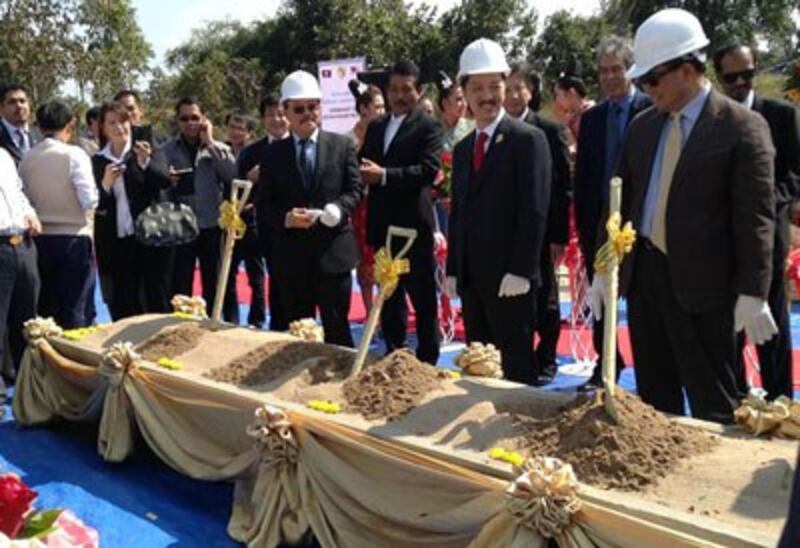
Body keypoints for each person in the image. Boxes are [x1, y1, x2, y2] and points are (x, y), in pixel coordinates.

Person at [595, 8, 777, 423]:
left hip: (706, 291)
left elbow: (756, 217)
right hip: (646, 282)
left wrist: (754, 291)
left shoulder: (741, 128)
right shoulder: (643, 127)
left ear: (686, 69)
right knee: (655, 402)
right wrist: (603, 268)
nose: (647, 88)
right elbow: (617, 204)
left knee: (714, 402)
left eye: (652, 78)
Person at [446, 39, 551, 385]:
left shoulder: (527, 139)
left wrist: (522, 268)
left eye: (494, 86)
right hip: (474, 279)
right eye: (477, 88)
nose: (487, 96)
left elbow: (534, 209)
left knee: (517, 367)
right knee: (480, 366)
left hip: (512, 280)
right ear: (464, 93)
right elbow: (459, 212)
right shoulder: (463, 149)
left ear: (506, 86)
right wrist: (453, 269)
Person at [714, 42, 800, 400]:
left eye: (746, 74)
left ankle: (781, 399)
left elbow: (794, 176)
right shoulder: (713, 121)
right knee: (728, 326)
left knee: (772, 323)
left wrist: (762, 203)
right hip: (724, 240)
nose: (739, 83)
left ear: (756, 71)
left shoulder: (780, 115)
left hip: (767, 241)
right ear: (719, 79)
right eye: (730, 77)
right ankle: (733, 399)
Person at [256, 71, 363, 346]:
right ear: (286, 111)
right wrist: (286, 219)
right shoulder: (272, 155)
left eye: (313, 106)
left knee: (338, 333)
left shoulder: (341, 145)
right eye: (299, 109)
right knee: (299, 337)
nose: (308, 114)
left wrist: (337, 210)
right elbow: (264, 204)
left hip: (333, 255)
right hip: (293, 260)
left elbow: (355, 190)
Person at [574, 35, 652, 391]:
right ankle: (605, 365)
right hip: (599, 223)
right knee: (600, 298)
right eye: (603, 71)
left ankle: (649, 368)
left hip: (639, 222)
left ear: (630, 70)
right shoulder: (591, 119)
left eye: (616, 70)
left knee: (641, 298)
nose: (609, 77)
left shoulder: (651, 110)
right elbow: (585, 177)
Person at [360, 61, 443, 364]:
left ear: (418, 91)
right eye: (394, 89)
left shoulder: (428, 126)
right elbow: (362, 164)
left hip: (414, 229)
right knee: (390, 297)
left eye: (406, 89)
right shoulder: (377, 126)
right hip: (383, 226)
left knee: (423, 299)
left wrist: (383, 175)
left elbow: (427, 170)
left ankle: (428, 361)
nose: (399, 96)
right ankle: (394, 356)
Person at [505, 62, 571, 385]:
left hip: (543, 233)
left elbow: (562, 187)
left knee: (546, 299)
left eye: (520, 88)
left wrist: (559, 235)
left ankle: (546, 359)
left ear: (530, 92)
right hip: (509, 233)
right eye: (508, 88)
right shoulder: (497, 131)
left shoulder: (549, 129)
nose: (513, 95)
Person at [20, 100, 98, 329]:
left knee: (47, 311)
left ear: (39, 126)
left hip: (39, 241)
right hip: (73, 239)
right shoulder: (74, 155)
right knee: (75, 309)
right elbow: (89, 199)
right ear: (70, 124)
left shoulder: (27, 158)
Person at [92, 102, 172, 320]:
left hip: (148, 238)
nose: (120, 127)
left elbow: (164, 181)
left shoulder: (147, 149)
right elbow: (94, 204)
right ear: (103, 128)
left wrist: (145, 162)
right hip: (117, 241)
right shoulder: (98, 161)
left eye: (124, 121)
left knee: (155, 298)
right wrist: (106, 185)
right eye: (113, 123)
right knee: (124, 300)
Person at [161, 97, 238, 321]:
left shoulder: (219, 148)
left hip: (211, 225)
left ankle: (213, 326)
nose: (190, 123)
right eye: (184, 118)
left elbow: (232, 176)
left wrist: (211, 142)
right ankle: (179, 326)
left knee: (213, 283)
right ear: (177, 120)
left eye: (195, 117)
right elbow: (156, 182)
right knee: (180, 284)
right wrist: (168, 180)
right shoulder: (166, 150)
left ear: (204, 119)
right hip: (180, 226)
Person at [239, 94, 291, 330]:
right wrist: (250, 179)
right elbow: (238, 192)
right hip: (267, 228)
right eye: (271, 114)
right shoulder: (251, 153)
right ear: (262, 119)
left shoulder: (303, 145)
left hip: (301, 225)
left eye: (281, 113)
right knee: (275, 280)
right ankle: (278, 327)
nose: (277, 119)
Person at [0, 147, 40, 395]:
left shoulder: (3, 155)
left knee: (26, 317)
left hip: (22, 244)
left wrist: (29, 213)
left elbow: (18, 193)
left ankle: (25, 382)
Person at [347, 80, 385, 316]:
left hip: (382, 203)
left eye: (383, 107)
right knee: (364, 259)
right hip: (360, 207)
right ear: (363, 109)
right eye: (377, 107)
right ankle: (370, 310)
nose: (382, 112)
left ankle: (384, 307)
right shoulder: (349, 140)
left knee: (383, 257)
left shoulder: (386, 135)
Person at [553, 73, 594, 153]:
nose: (556, 100)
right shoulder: (575, 117)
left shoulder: (591, 116)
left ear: (571, 93)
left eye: (557, 95)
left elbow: (578, 152)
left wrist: (564, 127)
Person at [0, 84, 35, 165]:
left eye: (22, 101)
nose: (19, 106)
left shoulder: (40, 135)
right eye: (12, 102)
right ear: (1, 108)